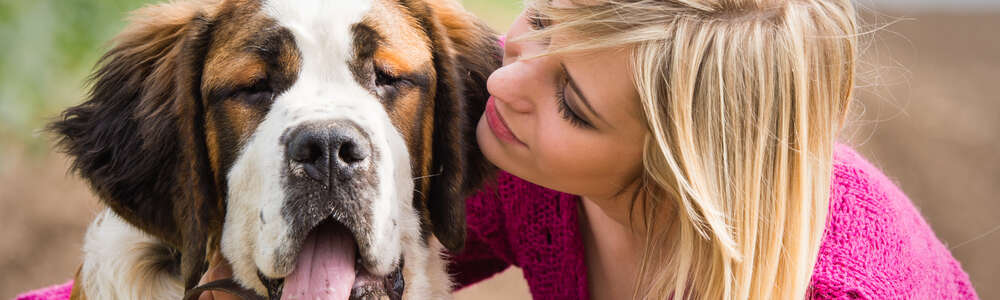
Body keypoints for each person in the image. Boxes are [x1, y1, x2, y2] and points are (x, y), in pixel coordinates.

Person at [198, 0, 978, 299]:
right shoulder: (522, 165)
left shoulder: (848, 289)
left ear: (671, 175)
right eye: (540, 22)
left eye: (571, 101)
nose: (505, 82)